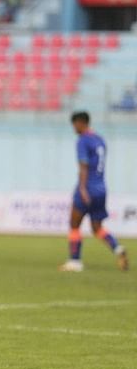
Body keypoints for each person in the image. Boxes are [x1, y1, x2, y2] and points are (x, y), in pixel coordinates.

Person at [60, 112, 128, 272]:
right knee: (96, 227)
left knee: (74, 223)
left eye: (74, 124)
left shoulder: (83, 140)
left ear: (81, 123)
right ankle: (118, 249)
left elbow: (84, 166)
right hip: (101, 188)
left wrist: (82, 188)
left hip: (88, 188)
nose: (74, 128)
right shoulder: (100, 140)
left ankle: (75, 262)